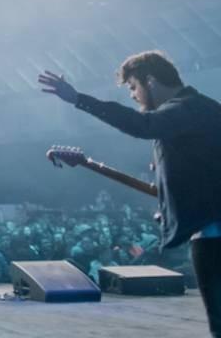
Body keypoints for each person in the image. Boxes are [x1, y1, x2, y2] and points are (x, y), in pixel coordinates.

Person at [39, 50, 221, 337]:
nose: (134, 96)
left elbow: (142, 126)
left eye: (134, 87)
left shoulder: (188, 108)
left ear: (151, 81)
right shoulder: (196, 114)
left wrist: (78, 99)